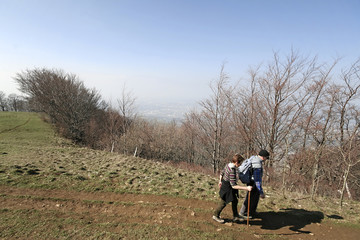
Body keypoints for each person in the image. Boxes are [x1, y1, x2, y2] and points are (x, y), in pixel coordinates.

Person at [213, 153, 252, 223]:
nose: (240, 165)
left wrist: (220, 181)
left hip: (226, 185)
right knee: (223, 202)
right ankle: (215, 215)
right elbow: (233, 185)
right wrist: (246, 188)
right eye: (240, 163)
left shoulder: (228, 165)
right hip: (228, 188)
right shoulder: (232, 170)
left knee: (235, 200)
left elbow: (222, 173)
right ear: (237, 162)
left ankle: (236, 216)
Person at [239, 149, 270, 219]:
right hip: (252, 182)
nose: (266, 159)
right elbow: (257, 180)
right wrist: (261, 191)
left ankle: (252, 211)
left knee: (255, 197)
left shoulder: (254, 158)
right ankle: (242, 212)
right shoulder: (257, 164)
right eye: (266, 158)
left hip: (251, 180)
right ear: (263, 157)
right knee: (250, 197)